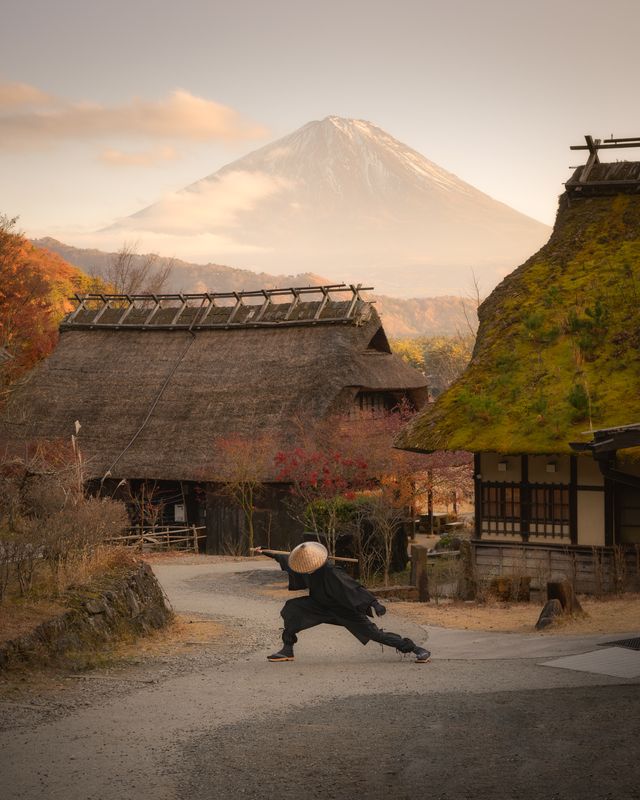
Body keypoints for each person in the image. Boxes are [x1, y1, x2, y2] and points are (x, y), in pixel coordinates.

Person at [254, 542, 431, 664]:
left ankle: (415, 649)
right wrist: (266, 551)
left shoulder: (332, 572)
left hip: (344, 610)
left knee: (374, 634)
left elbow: (354, 587)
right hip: (319, 605)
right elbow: (284, 558)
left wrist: (374, 603)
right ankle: (287, 649)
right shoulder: (302, 565)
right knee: (292, 609)